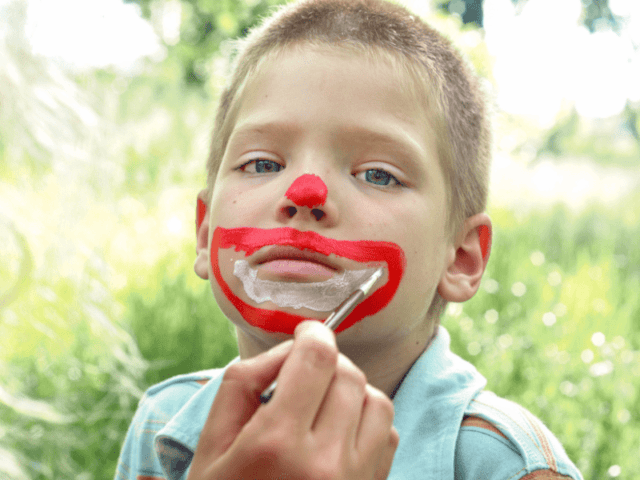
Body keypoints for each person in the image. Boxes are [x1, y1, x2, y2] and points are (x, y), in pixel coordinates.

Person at [114, 1, 583, 479]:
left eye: (378, 175)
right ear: (205, 231)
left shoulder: (510, 466)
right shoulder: (160, 422)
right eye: (262, 164)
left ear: (460, 258)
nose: (305, 193)